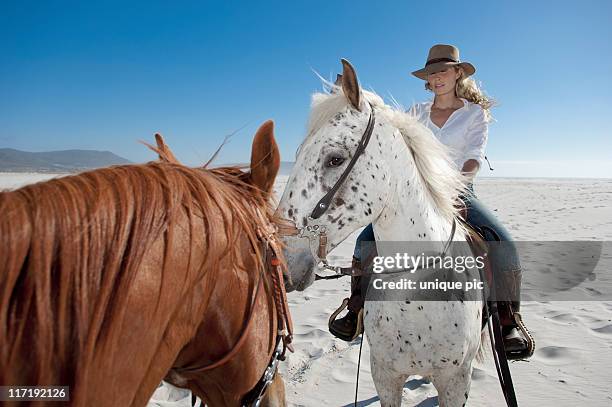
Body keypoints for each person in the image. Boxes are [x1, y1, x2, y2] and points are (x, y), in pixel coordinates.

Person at [329, 44, 533, 360]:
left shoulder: (473, 114)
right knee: (365, 242)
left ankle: (508, 323)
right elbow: (381, 116)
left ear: (457, 74)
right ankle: (355, 308)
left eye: (443, 71)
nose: (437, 77)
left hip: (458, 191)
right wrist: (353, 91)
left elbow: (474, 157)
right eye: (432, 72)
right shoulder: (415, 113)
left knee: (503, 244)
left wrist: (454, 185)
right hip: (415, 194)